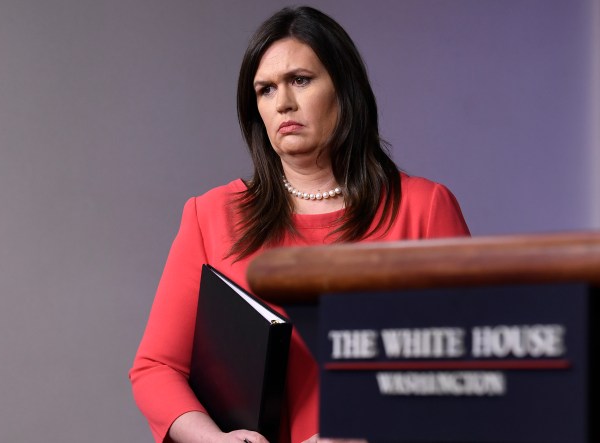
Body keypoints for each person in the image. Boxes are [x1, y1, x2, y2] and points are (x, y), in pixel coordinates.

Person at [130, 6, 470, 443]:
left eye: (301, 80)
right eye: (265, 90)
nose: (283, 103)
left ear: (344, 89)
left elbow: (465, 375)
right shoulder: (210, 215)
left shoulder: (423, 208)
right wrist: (215, 441)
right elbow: (156, 368)